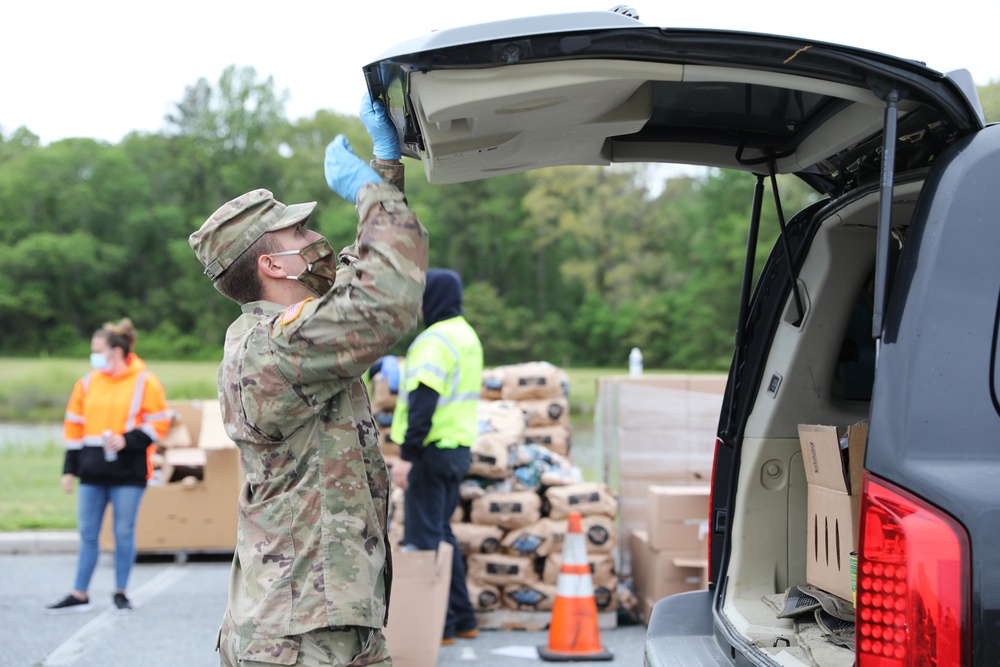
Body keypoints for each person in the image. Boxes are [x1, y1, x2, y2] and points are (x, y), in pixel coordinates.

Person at [188, 93, 428, 667]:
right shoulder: (275, 350)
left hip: (329, 619)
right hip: (297, 637)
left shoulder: (287, 333)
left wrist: (385, 169)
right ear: (272, 266)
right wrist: (371, 193)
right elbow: (383, 296)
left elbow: (361, 270)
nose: (314, 239)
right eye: (299, 234)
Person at [46, 318, 171, 615]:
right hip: (92, 471)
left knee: (123, 532)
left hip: (128, 472)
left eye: (97, 349)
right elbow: (74, 428)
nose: (94, 355)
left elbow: (160, 423)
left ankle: (120, 592)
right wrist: (68, 470)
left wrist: (127, 440)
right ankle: (79, 593)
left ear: (115, 351)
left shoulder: (145, 381)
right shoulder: (87, 383)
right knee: (88, 533)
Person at [389, 268, 484, 645]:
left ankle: (436, 628)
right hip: (457, 451)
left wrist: (407, 456)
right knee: (441, 534)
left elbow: (423, 404)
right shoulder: (466, 335)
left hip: (429, 453)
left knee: (424, 541)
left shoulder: (434, 340)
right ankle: (464, 619)